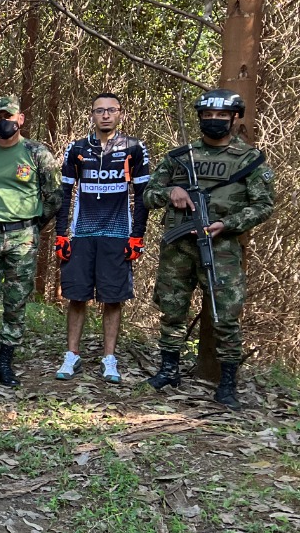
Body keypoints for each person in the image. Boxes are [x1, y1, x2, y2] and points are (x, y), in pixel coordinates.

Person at [144, 89, 275, 409]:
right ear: (200, 118)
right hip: (178, 246)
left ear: (233, 119)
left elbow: (263, 205)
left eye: (221, 116)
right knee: (172, 309)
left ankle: (227, 381)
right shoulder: (178, 157)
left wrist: (227, 224)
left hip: (222, 249)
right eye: (208, 116)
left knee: (225, 314)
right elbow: (148, 194)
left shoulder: (249, 160)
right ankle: (168, 369)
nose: (214, 121)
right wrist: (171, 190)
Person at [0, 96, 62, 390]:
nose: (3, 122)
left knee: (16, 302)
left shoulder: (36, 153)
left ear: (21, 119)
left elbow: (54, 196)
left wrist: (31, 225)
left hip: (24, 238)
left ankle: (5, 362)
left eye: (9, 116)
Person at [55, 94, 150, 383]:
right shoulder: (78, 148)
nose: (105, 115)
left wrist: (138, 236)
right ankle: (72, 355)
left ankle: (110, 358)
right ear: (92, 115)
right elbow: (65, 193)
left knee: (113, 298)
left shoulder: (134, 147)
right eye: (100, 111)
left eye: (111, 110)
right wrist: (61, 234)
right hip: (83, 232)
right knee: (76, 296)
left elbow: (143, 195)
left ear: (121, 114)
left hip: (118, 232)